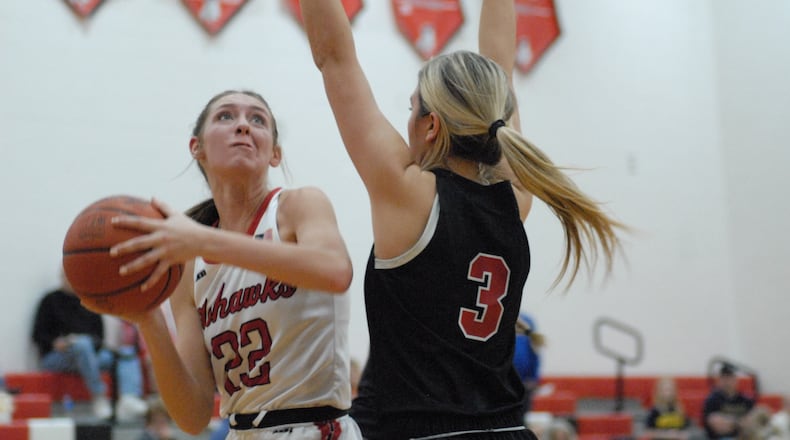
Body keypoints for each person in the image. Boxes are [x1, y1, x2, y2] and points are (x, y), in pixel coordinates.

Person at [301, 0, 625, 438]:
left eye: (411, 107)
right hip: (507, 430)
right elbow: (498, 72)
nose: (406, 119)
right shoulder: (516, 196)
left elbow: (334, 57)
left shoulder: (409, 194)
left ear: (430, 125)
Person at [106, 90, 361, 439]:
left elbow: (335, 270)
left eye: (257, 120)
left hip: (314, 428)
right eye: (226, 116)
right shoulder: (191, 263)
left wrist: (205, 241)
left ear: (275, 153)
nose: (243, 125)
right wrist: (148, 320)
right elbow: (192, 416)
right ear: (197, 147)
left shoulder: (298, 206)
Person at [32, 272, 149, 421]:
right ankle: (98, 396)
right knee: (82, 344)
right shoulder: (49, 301)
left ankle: (129, 397)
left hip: (87, 356)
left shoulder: (88, 302)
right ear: (61, 277)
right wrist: (55, 343)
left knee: (125, 352)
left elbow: (98, 339)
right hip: (57, 358)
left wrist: (85, 343)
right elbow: (37, 334)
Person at [703, 363, 757, 439]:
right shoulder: (712, 400)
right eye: (723, 378)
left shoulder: (746, 400)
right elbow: (718, 425)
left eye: (729, 378)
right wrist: (740, 422)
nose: (726, 382)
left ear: (735, 380)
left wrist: (729, 422)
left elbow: (753, 422)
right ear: (719, 380)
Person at [514, 313, 544, 417]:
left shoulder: (527, 320)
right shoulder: (501, 318)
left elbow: (535, 349)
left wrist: (534, 376)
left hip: (524, 383)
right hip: (504, 381)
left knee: (523, 416)